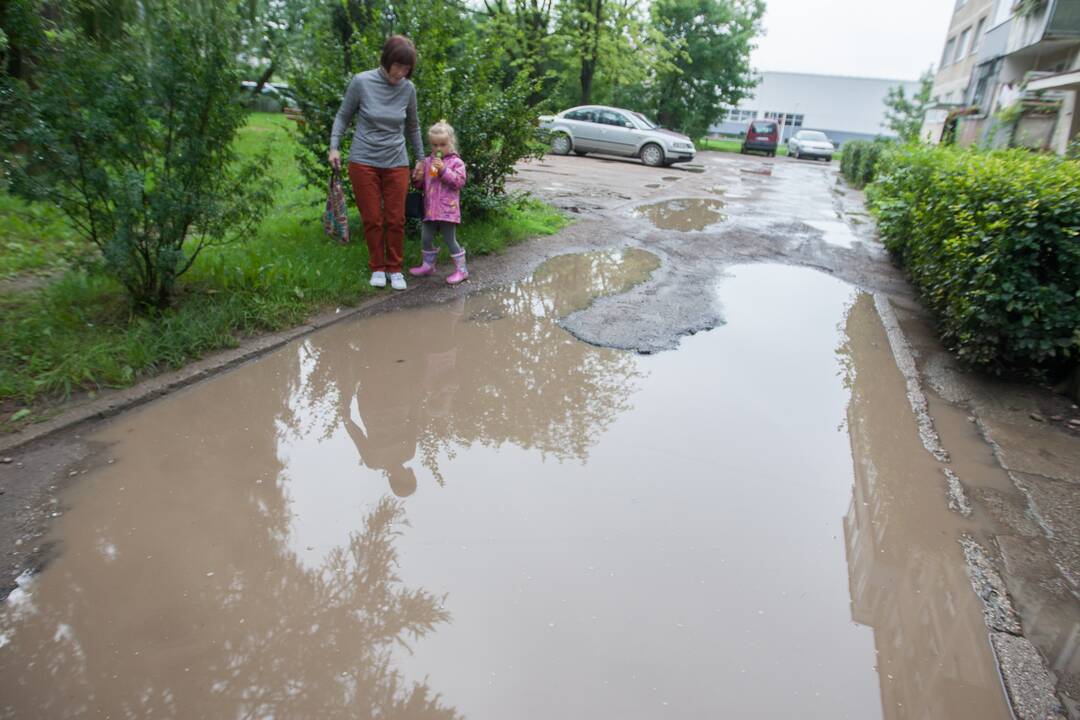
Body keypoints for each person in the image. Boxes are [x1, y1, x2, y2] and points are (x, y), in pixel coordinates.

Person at [328, 35, 425, 291]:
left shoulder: (408, 89)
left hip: (397, 161)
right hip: (364, 161)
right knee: (372, 218)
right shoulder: (362, 82)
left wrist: (421, 160)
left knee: (396, 219)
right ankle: (377, 267)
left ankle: (395, 268)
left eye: (407, 69)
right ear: (387, 60)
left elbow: (413, 127)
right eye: (398, 66)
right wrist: (334, 147)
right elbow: (343, 116)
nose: (402, 72)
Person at [409, 120, 469, 285]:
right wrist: (417, 177)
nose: (438, 149)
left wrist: (443, 169)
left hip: (447, 210)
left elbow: (458, 182)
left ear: (451, 143)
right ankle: (428, 266)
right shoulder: (428, 161)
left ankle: (462, 271)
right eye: (435, 145)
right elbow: (422, 185)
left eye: (442, 144)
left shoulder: (456, 162)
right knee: (426, 238)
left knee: (450, 240)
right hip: (430, 209)